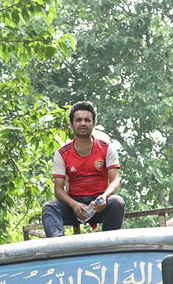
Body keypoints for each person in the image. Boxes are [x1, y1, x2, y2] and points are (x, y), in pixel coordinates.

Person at [42, 101, 124, 237]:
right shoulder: (61, 153)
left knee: (117, 202)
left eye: (87, 120)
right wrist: (74, 205)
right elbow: (58, 190)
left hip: (100, 205)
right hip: (74, 206)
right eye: (78, 120)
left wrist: (104, 197)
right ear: (71, 124)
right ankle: (59, 251)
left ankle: (110, 246)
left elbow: (115, 180)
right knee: (50, 207)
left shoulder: (106, 148)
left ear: (93, 124)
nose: (83, 123)